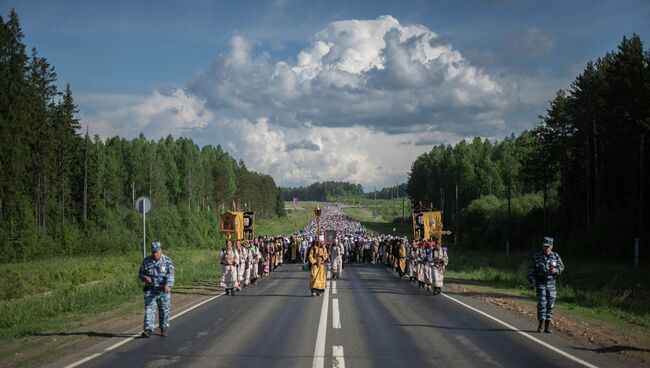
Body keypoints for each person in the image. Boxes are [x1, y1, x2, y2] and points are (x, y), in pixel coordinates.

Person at [528, 236, 564, 333]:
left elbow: (562, 267)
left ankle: (547, 326)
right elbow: (531, 271)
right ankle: (540, 325)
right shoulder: (536, 256)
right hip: (541, 283)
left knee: (550, 305)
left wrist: (556, 270)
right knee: (542, 304)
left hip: (551, 283)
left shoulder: (556, 256)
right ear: (542, 246)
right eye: (544, 246)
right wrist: (531, 282)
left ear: (551, 246)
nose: (546, 248)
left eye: (548, 246)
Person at [139, 241, 175, 337]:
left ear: (161, 250)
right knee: (149, 310)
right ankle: (148, 330)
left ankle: (164, 328)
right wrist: (145, 277)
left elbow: (170, 275)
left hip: (163, 290)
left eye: (157, 252)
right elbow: (141, 274)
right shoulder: (146, 261)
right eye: (153, 252)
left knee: (164, 310)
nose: (155, 254)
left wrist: (168, 285)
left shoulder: (167, 261)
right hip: (150, 290)